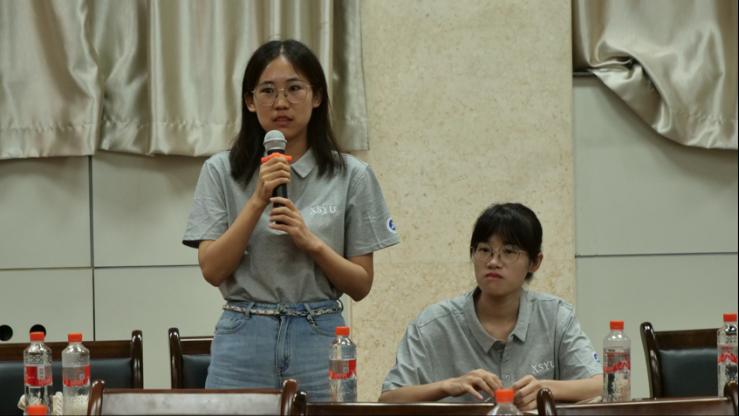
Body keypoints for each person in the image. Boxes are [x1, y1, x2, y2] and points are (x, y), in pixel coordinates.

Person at [183, 39, 399, 399]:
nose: (281, 102)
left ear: (317, 97)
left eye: (294, 89)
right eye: (268, 91)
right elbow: (212, 270)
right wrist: (257, 201)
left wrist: (311, 242)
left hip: (319, 335)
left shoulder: (352, 175)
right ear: (250, 101)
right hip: (243, 333)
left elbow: (361, 285)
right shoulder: (220, 171)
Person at [380, 203, 601, 410]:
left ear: (535, 262)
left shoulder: (555, 317)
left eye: (509, 251)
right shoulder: (433, 324)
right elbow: (388, 400)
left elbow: (603, 385)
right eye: (485, 250)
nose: (493, 262)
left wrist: (545, 388)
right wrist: (446, 386)